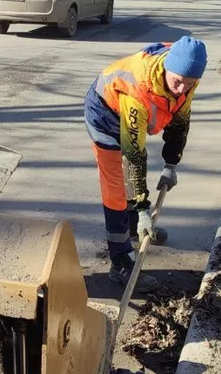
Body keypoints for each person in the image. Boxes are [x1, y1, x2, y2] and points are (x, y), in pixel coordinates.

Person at [84, 36, 207, 293]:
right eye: (177, 81)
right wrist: (142, 209)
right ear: (166, 70)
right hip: (105, 114)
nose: (182, 89)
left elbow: (180, 121)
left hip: (129, 116)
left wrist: (171, 164)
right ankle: (120, 263)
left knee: (132, 183)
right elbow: (134, 156)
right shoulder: (139, 89)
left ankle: (131, 228)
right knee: (118, 187)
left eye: (190, 84)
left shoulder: (185, 72)